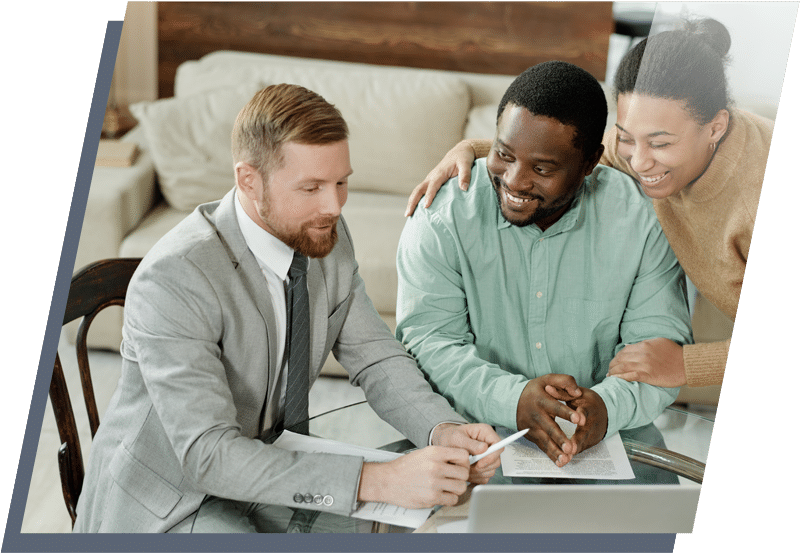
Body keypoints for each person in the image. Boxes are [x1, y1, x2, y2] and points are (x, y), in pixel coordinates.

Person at [73, 84, 503, 533]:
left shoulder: (325, 238)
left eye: (341, 182)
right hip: (175, 498)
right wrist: (376, 480)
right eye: (311, 187)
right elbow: (207, 455)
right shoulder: (176, 277)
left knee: (424, 524)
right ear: (248, 181)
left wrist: (443, 428)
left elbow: (376, 358)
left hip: (273, 469)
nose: (333, 206)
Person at [406, 19, 771, 390]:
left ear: (715, 127)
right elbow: (564, 154)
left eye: (660, 145)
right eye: (628, 137)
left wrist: (687, 364)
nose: (639, 162)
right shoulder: (638, 147)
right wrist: (474, 149)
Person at [396, 61, 693, 468]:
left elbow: (659, 344)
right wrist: (511, 398)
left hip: (614, 441)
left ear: (591, 164)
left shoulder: (642, 219)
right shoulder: (443, 213)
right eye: (503, 155)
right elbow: (428, 342)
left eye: (542, 168)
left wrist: (605, 407)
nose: (515, 181)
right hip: (473, 438)